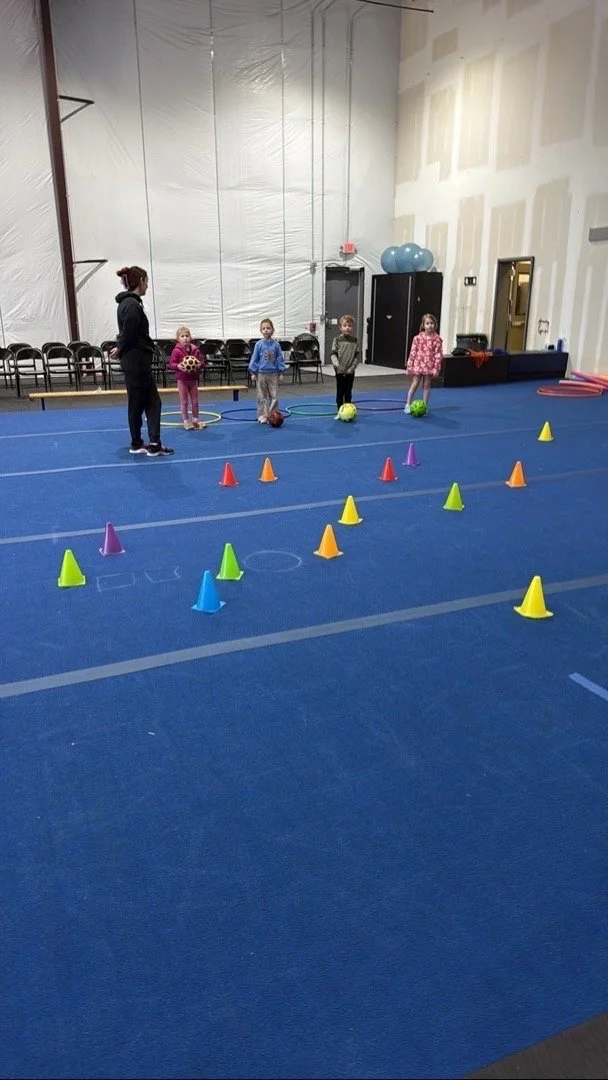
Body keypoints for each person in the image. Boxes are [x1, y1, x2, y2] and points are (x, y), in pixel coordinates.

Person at [111, 266, 174, 456]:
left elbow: (129, 331)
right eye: (146, 281)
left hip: (134, 360)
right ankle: (153, 444)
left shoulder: (128, 303)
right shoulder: (131, 305)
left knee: (138, 403)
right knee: (152, 402)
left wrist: (121, 345)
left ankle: (138, 442)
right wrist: (121, 346)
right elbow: (130, 330)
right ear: (140, 282)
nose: (148, 285)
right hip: (137, 360)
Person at [248, 318, 286, 423]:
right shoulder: (258, 345)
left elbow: (279, 359)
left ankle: (272, 415)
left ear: (272, 330)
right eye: (263, 328)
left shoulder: (276, 345)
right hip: (261, 374)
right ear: (261, 331)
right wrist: (253, 372)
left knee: (274, 396)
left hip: (273, 374)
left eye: (268, 328)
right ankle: (262, 415)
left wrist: (281, 372)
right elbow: (255, 359)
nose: (266, 330)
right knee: (261, 395)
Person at [404, 313, 443, 413]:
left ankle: (425, 405)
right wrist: (409, 366)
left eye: (431, 323)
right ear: (423, 325)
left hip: (429, 367)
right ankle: (408, 404)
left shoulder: (437, 340)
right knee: (415, 383)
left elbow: (438, 355)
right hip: (418, 365)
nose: (430, 325)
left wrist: (436, 368)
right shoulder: (417, 338)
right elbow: (413, 352)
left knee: (427, 384)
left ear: (435, 324)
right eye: (427, 323)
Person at [169, 327, 206, 430]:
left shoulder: (195, 350)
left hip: (193, 380)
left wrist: (199, 365)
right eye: (182, 336)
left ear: (190, 338)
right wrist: (178, 366)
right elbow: (171, 364)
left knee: (195, 401)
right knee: (184, 401)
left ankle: (195, 420)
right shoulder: (176, 351)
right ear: (178, 339)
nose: (185, 338)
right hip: (182, 380)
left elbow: (202, 362)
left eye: (187, 336)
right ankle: (186, 421)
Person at [330, 314, 361, 418]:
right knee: (340, 391)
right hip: (339, 370)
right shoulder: (337, 339)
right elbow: (333, 353)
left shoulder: (355, 341)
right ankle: (340, 411)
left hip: (350, 371)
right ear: (340, 327)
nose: (347, 327)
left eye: (349, 325)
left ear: (352, 327)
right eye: (345, 325)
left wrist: (352, 368)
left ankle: (348, 410)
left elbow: (357, 356)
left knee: (348, 391)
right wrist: (335, 362)